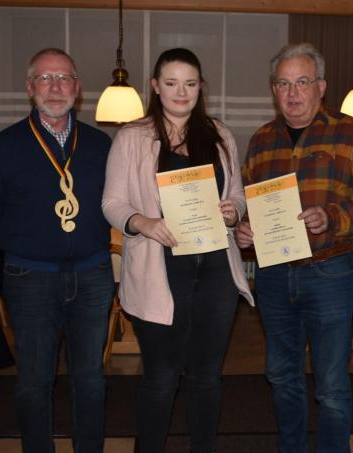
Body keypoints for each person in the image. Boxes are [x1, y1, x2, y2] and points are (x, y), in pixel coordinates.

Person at [102, 47, 253, 453]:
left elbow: (237, 194)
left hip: (216, 273)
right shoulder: (132, 137)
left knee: (207, 376)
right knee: (162, 377)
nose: (181, 92)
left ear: (200, 87)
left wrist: (232, 210)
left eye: (190, 83)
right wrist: (145, 223)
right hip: (159, 272)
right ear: (155, 86)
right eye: (171, 83)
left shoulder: (220, 134)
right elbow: (112, 204)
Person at [236, 43, 353, 453]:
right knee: (281, 376)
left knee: (332, 385)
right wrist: (243, 233)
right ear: (273, 89)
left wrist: (332, 218)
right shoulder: (262, 140)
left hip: (328, 272)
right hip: (273, 275)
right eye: (283, 83)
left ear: (321, 86)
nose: (292, 92)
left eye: (302, 82)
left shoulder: (351, 132)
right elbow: (248, 200)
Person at [0, 48, 114, 453]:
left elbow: (118, 201)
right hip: (29, 278)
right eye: (45, 78)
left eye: (64, 78)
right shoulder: (2, 147)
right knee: (34, 382)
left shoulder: (100, 144)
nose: (55, 87)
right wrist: (30, 246)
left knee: (90, 378)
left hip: (92, 275)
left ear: (78, 87)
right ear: (30, 87)